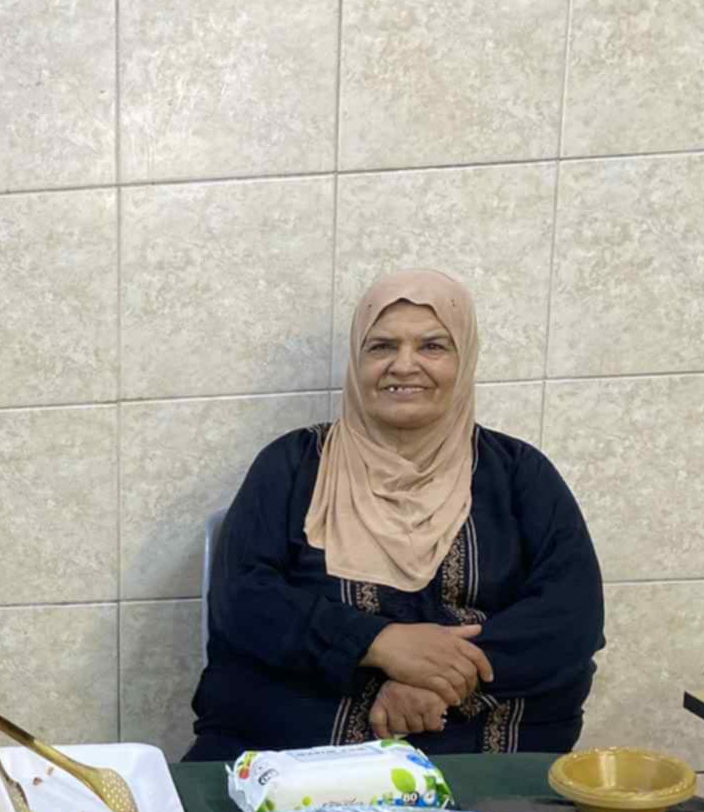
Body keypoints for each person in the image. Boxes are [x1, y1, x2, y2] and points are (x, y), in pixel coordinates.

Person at [188, 269, 602, 763]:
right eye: (381, 346)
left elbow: (570, 615)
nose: (404, 366)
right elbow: (242, 601)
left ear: (464, 359)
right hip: (297, 747)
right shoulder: (293, 465)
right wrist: (376, 643)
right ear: (357, 360)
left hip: (478, 747)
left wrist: (435, 679)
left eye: (433, 347)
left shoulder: (518, 474)